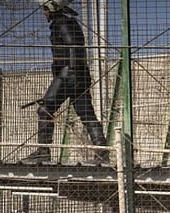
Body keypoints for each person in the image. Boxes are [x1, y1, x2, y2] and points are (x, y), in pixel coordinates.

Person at [22, 0, 108, 165]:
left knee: (45, 110)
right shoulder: (66, 22)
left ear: (51, 8)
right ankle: (102, 152)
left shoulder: (62, 23)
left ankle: (43, 152)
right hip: (76, 75)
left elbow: (74, 46)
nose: (44, 12)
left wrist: (67, 77)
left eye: (45, 9)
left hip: (69, 74)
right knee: (86, 114)